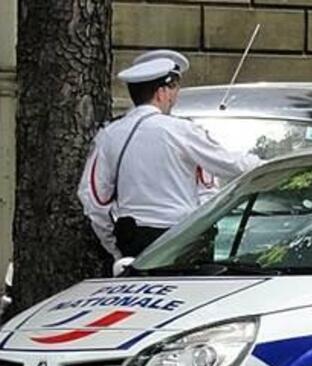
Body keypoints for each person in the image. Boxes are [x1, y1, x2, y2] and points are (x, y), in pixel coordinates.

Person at [77, 50, 261, 260]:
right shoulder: (181, 131)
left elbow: (92, 200)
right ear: (162, 92)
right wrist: (273, 165)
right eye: (174, 89)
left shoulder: (109, 135)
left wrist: (115, 248)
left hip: (133, 240)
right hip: (183, 239)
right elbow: (232, 165)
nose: (175, 97)